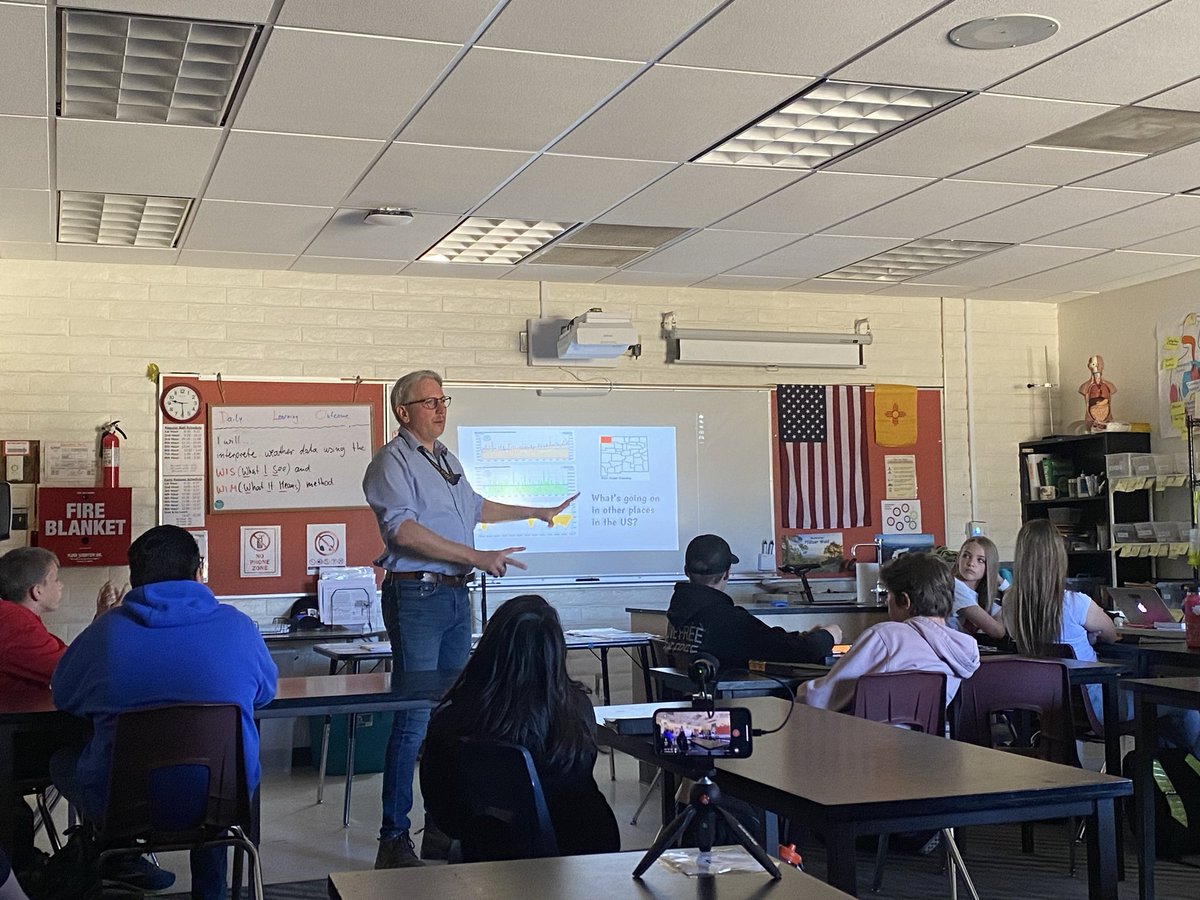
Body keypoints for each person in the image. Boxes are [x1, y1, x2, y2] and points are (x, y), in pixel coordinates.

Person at [363, 370, 578, 868]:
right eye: (430, 402)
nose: (441, 409)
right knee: (414, 718)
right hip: (418, 596)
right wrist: (477, 556)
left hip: (456, 596)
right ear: (402, 411)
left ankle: (442, 827)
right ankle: (393, 839)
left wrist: (538, 511)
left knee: (453, 716)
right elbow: (403, 532)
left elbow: (476, 507)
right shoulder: (391, 462)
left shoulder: (446, 459)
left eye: (444, 400)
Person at [50, 526, 278, 900]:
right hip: (223, 799)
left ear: (134, 579)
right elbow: (265, 693)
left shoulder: (106, 632)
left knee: (62, 761)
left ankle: (117, 857)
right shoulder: (239, 627)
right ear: (198, 571)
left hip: (122, 804)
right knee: (214, 788)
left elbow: (64, 696)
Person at [419, 595, 619, 858]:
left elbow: (444, 813)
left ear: (489, 647)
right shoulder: (576, 710)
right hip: (581, 855)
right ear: (555, 651)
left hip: (492, 857)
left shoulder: (452, 720)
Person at [0, 549, 143, 883]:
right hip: (15, 744)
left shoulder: (14, 619)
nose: (61, 586)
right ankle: (116, 851)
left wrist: (99, 622)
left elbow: (66, 660)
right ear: (37, 591)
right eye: (56, 579)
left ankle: (108, 851)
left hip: (19, 734)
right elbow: (70, 668)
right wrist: (108, 625)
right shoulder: (13, 623)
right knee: (95, 752)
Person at [1004, 519, 1200, 757]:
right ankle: (1172, 770)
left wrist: (1083, 641)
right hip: (1100, 704)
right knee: (1185, 706)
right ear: (1058, 557)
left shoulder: (1011, 603)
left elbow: (1042, 642)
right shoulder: (1075, 603)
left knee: (1162, 720)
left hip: (1050, 707)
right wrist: (1090, 639)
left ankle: (1158, 767)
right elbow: (1111, 634)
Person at [796, 552, 981, 713]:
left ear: (905, 600)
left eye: (888, 595)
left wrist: (798, 691)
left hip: (867, 739)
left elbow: (819, 699)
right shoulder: (963, 649)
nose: (886, 602)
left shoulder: (887, 636)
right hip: (921, 741)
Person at [666, 534, 840, 671]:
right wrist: (829, 635)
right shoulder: (727, 619)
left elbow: (766, 640)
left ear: (686, 571)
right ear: (727, 574)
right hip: (734, 703)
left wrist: (803, 636)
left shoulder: (678, 614)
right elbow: (800, 651)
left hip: (693, 701)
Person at [948, 537, 1007, 639]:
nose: (971, 563)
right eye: (966, 556)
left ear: (989, 566)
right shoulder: (955, 586)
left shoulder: (980, 593)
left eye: (980, 560)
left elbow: (1001, 614)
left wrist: (1000, 581)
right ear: (958, 559)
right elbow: (997, 631)